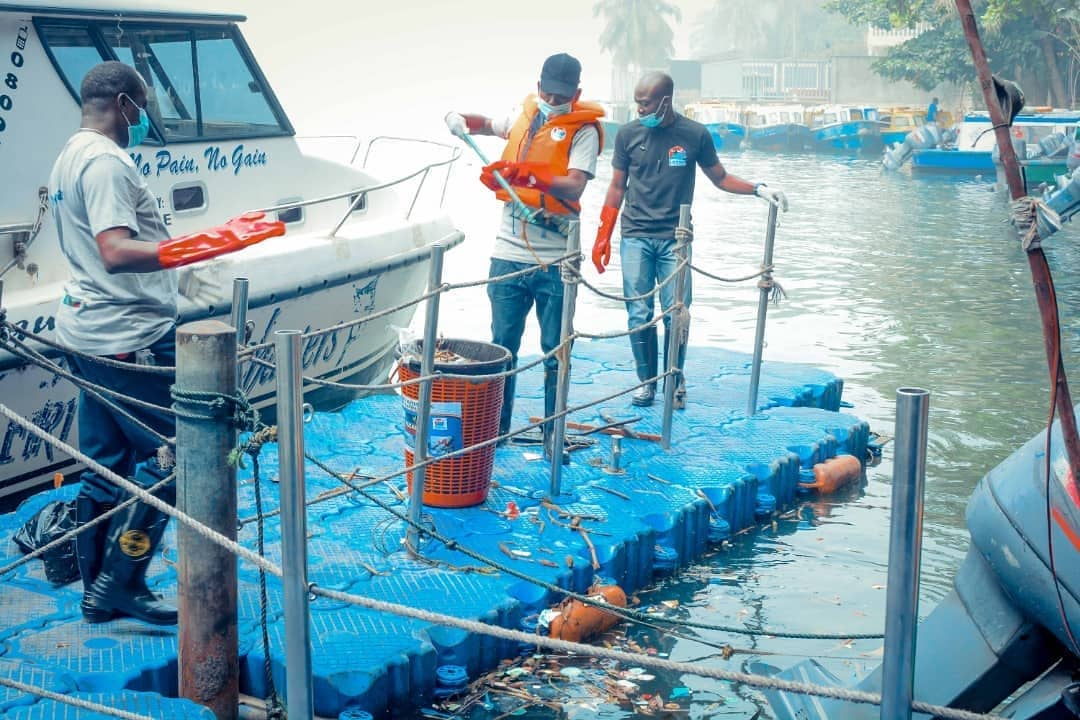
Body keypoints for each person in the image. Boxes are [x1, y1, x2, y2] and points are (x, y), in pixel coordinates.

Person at [49, 61, 283, 624]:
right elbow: (114, 250)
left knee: (103, 464)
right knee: (182, 454)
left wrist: (181, 260)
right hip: (124, 335)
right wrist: (201, 246)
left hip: (88, 331)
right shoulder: (107, 163)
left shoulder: (69, 154)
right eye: (144, 107)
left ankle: (96, 595)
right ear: (126, 103)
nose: (145, 118)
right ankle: (119, 583)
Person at [591, 72, 787, 408]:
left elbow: (720, 178)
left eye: (646, 102)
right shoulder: (627, 135)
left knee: (676, 313)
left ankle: (674, 376)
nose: (639, 109)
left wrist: (758, 189)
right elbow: (617, 186)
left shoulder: (694, 134)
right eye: (637, 102)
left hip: (675, 239)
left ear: (666, 100)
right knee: (639, 313)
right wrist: (602, 235)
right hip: (635, 234)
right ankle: (647, 381)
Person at [444, 53, 602, 459]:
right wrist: (459, 120)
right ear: (538, 87)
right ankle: (497, 429)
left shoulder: (583, 131)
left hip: (556, 259)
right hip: (508, 254)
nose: (553, 99)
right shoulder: (522, 116)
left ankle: (553, 433)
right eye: (548, 92)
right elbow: (482, 124)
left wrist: (531, 176)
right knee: (502, 346)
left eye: (562, 95)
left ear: (577, 94)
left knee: (555, 348)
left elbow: (574, 185)